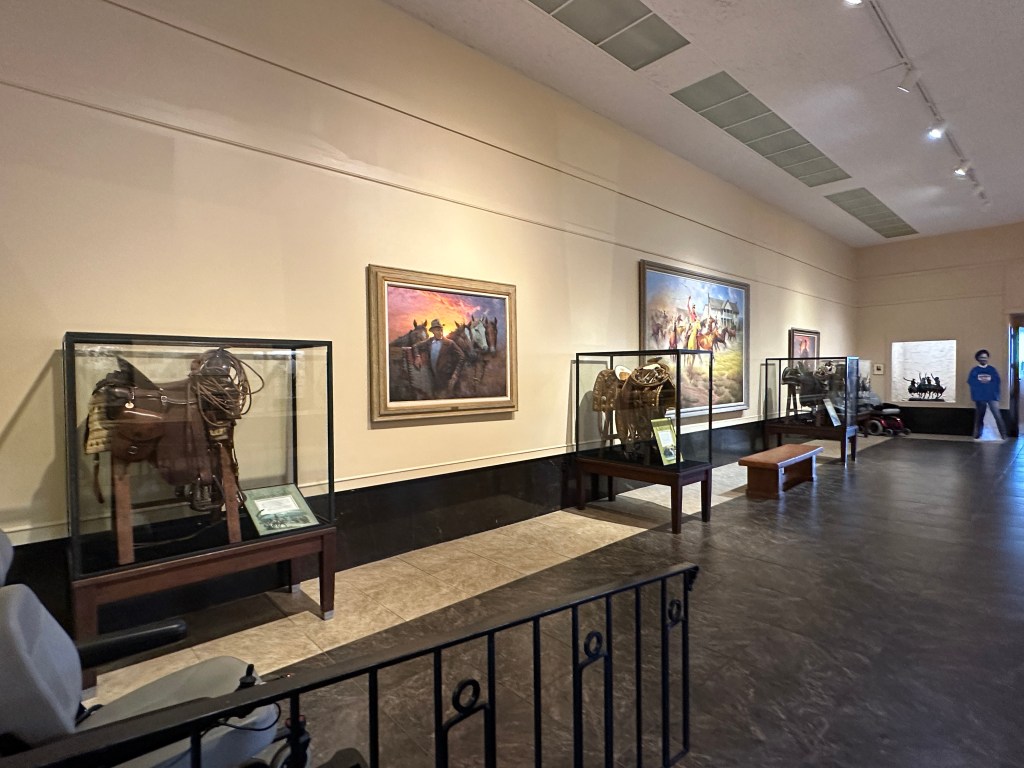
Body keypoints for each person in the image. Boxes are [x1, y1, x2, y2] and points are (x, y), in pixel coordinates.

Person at [413, 319, 465, 398]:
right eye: (437, 330)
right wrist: (417, 357)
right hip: (432, 379)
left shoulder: (450, 343)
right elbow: (415, 346)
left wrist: (455, 374)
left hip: (446, 379)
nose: (440, 332)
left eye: (441, 330)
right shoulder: (429, 342)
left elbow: (462, 356)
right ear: (433, 331)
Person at [966, 348, 1007, 440]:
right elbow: (971, 382)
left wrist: (994, 393)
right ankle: (977, 435)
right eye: (981, 357)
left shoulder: (992, 369)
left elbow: (997, 381)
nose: (984, 359)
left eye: (985, 357)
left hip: (992, 397)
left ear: (988, 358)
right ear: (978, 359)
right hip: (980, 397)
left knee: (998, 415)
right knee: (979, 416)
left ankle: (1003, 434)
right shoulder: (974, 370)